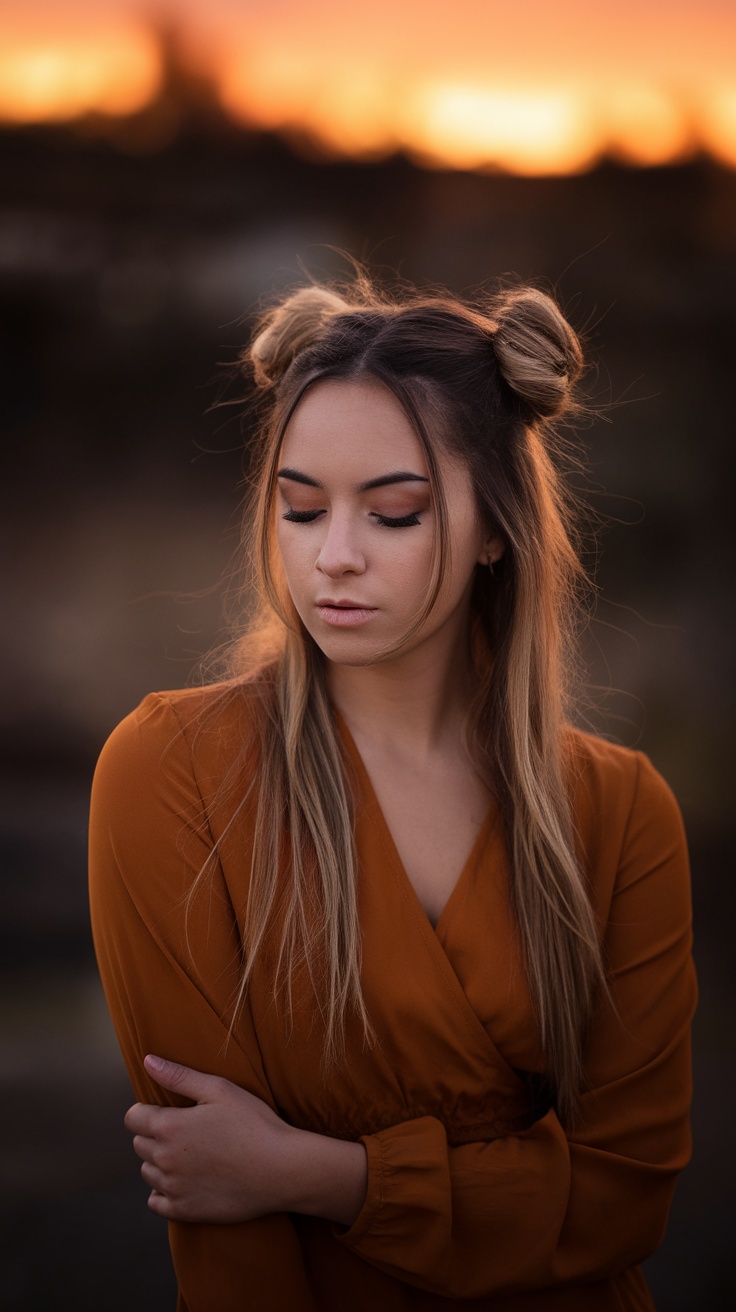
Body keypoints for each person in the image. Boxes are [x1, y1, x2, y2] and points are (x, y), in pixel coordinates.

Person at [88, 274, 696, 1312]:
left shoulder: (623, 812)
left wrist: (320, 1174)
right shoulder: (168, 769)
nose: (332, 557)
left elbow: (620, 1201)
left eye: (395, 512)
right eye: (301, 507)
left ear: (495, 530)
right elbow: (219, 1213)